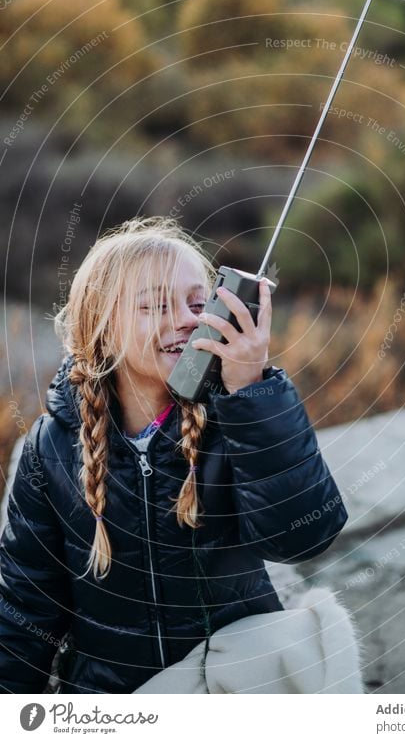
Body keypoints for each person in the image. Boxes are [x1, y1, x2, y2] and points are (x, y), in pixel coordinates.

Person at [0, 216, 348, 694]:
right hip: (114, 695)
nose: (188, 318)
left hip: (231, 688)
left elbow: (303, 538)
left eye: (198, 302)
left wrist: (252, 394)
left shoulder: (237, 418)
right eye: (155, 304)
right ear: (101, 330)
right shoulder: (51, 448)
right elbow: (25, 604)